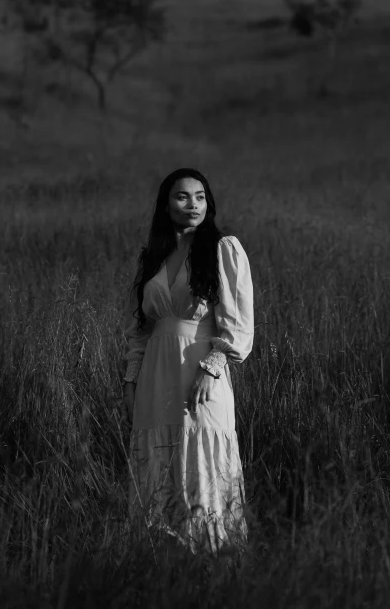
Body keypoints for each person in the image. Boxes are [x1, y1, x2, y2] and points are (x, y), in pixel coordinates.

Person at [121, 168, 254, 552]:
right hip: (153, 378)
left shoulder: (222, 248)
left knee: (201, 462)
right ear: (166, 204)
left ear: (208, 203)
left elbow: (239, 325)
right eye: (182, 196)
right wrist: (130, 381)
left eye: (199, 196)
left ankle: (212, 558)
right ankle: (159, 561)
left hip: (201, 371)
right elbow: (141, 330)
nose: (192, 204)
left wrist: (212, 369)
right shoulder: (154, 258)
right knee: (157, 466)